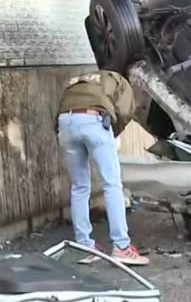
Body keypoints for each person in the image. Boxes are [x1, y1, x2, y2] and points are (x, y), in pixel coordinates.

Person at [56, 69, 149, 266]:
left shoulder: (78, 79)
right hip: (94, 120)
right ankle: (121, 247)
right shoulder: (118, 79)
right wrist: (113, 132)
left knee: (79, 187)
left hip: (65, 122)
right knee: (112, 184)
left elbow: (59, 110)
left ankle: (84, 246)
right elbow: (125, 111)